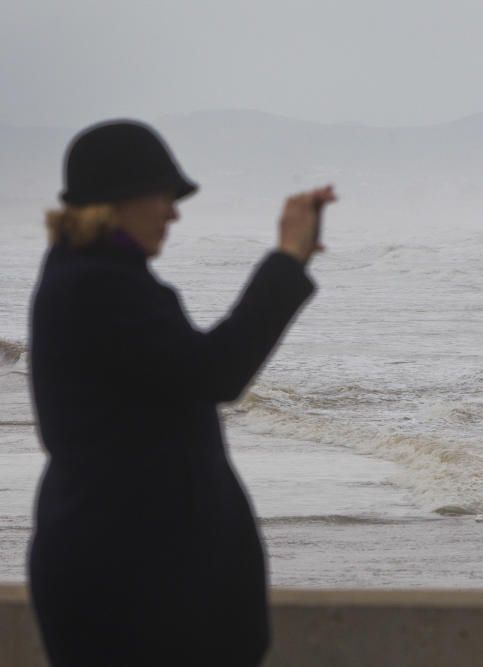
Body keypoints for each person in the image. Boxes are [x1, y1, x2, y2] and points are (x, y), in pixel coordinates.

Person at [27, 119, 335, 665]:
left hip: (125, 584)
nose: (173, 211)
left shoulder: (87, 276)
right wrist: (287, 260)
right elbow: (217, 370)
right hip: (131, 598)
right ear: (118, 199)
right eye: (163, 195)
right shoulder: (100, 286)